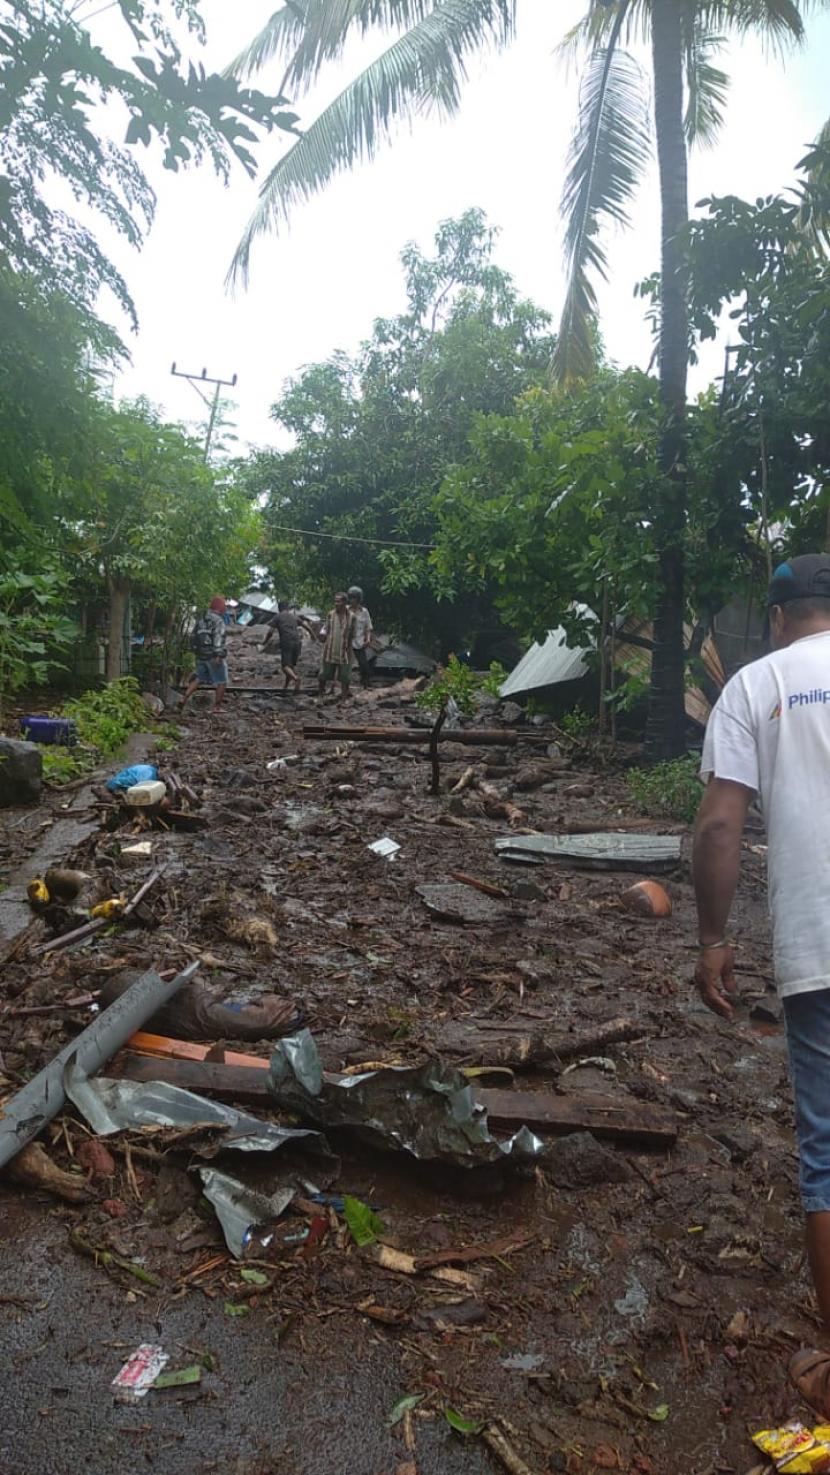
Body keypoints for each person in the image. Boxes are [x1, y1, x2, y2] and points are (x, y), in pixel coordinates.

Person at [692, 554, 830, 1414]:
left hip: (819, 944)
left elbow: (719, 820)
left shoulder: (757, 684)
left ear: (778, 616)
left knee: (828, 1154)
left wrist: (713, 938)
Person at [179, 596, 229, 710]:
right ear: (220, 607)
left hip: (201, 654)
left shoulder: (201, 620)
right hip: (213, 655)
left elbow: (193, 636)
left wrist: (195, 650)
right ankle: (217, 707)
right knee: (222, 680)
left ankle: (184, 698)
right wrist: (219, 654)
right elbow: (218, 637)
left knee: (199, 678)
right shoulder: (218, 621)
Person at [318, 592, 355, 702]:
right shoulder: (330, 614)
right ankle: (320, 695)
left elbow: (352, 634)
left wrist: (349, 649)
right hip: (330, 648)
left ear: (344, 602)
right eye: (335, 601)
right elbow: (326, 628)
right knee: (324, 673)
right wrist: (323, 635)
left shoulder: (352, 617)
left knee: (345, 676)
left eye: (338, 601)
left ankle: (343, 699)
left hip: (344, 650)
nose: (336, 603)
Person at [264, 600, 302, 690]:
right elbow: (306, 625)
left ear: (279, 608)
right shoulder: (294, 617)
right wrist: (313, 636)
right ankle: (285, 687)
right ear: (288, 608)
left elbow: (270, 632)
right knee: (291, 666)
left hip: (287, 642)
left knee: (285, 667)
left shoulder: (278, 617)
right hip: (297, 642)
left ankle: (296, 678)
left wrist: (265, 641)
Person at [347, 585, 375, 689]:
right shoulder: (345, 610)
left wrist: (367, 639)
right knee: (345, 664)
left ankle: (366, 683)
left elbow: (368, 627)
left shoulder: (364, 611)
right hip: (347, 642)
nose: (352, 600)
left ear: (359, 599)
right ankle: (343, 685)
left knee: (364, 664)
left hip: (359, 642)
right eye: (351, 598)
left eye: (354, 598)